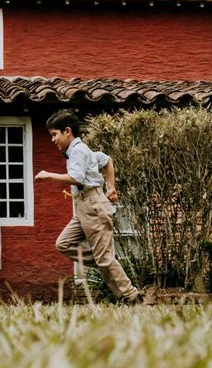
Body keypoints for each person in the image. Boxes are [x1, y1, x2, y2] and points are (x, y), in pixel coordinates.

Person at [34, 109, 141, 303]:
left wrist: (48, 175)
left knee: (105, 258)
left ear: (67, 131)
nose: (52, 140)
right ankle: (106, 261)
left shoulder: (79, 150)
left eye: (54, 135)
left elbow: (76, 178)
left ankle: (130, 296)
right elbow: (107, 160)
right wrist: (111, 188)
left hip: (93, 205)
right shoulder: (83, 150)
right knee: (64, 244)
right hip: (84, 206)